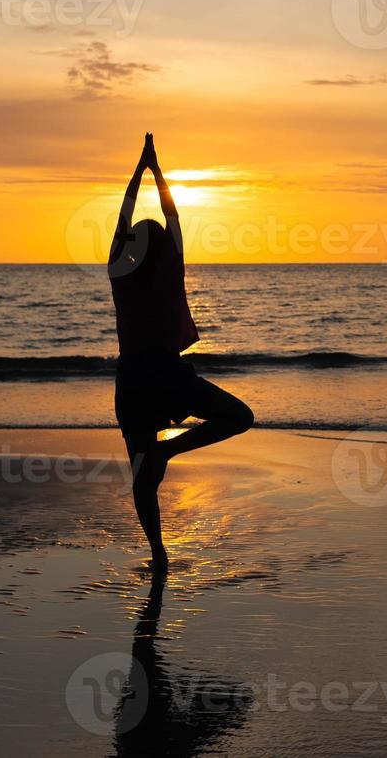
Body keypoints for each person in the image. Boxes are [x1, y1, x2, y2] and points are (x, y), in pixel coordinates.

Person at [110, 133, 253, 572]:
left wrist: (138, 171)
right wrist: (157, 171)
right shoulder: (171, 267)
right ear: (163, 251)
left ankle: (158, 554)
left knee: (141, 476)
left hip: (132, 380)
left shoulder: (119, 272)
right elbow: (172, 216)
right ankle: (169, 452)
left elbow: (123, 218)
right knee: (239, 417)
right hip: (168, 377)